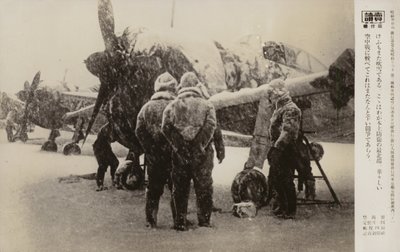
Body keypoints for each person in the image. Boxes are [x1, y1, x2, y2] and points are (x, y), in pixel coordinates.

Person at [162, 72, 217, 231]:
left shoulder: (173, 105)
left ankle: (180, 220)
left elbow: (165, 127)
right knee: (204, 187)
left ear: (182, 85)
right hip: (202, 155)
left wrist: (179, 145)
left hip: (180, 156)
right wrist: (199, 144)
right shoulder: (207, 105)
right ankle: (204, 221)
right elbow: (211, 126)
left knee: (180, 188)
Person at [135, 72, 178, 228]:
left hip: (155, 157)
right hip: (174, 156)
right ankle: (179, 221)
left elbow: (139, 130)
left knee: (153, 189)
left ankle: (151, 220)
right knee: (177, 189)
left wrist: (150, 148)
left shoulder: (147, 107)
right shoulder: (178, 106)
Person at [266, 79, 301, 219]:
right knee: (277, 179)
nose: (270, 96)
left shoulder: (290, 108)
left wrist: (277, 148)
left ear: (278, 92)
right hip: (279, 148)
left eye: (271, 92)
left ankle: (290, 210)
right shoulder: (281, 108)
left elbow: (288, 132)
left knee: (286, 179)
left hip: (286, 150)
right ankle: (282, 206)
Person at [93, 123, 119, 191]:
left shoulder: (109, 126)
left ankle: (107, 182)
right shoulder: (108, 127)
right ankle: (101, 184)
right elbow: (112, 138)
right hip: (100, 147)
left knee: (113, 163)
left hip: (103, 147)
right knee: (104, 165)